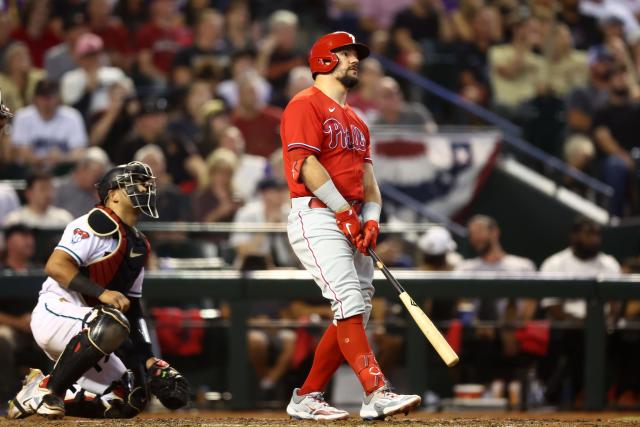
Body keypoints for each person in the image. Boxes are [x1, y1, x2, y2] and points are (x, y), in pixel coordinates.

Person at [281, 31, 421, 421]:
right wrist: (345, 211)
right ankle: (376, 391)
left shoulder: (358, 120)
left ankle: (307, 395)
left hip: (352, 217)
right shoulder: (303, 104)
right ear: (324, 60)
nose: (354, 60)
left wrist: (372, 221)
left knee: (356, 310)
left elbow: (370, 182)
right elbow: (307, 166)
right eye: (345, 54)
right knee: (348, 301)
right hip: (318, 213)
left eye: (354, 54)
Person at [7, 161, 190, 420]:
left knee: (130, 398)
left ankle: (35, 394)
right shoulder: (94, 222)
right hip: (56, 311)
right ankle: (50, 391)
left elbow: (135, 309)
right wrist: (101, 293)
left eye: (147, 183)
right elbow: (56, 265)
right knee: (113, 322)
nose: (145, 188)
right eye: (136, 183)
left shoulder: (138, 244)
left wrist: (150, 360)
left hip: (91, 333)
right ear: (113, 195)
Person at [53, 147, 111, 218]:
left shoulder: (96, 194)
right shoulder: (59, 187)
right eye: (95, 174)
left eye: (99, 176)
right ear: (82, 169)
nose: (97, 180)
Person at [4, 171, 73, 229]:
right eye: (42, 189)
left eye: (50, 189)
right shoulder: (15, 220)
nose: (48, 194)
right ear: (29, 193)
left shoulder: (64, 218)